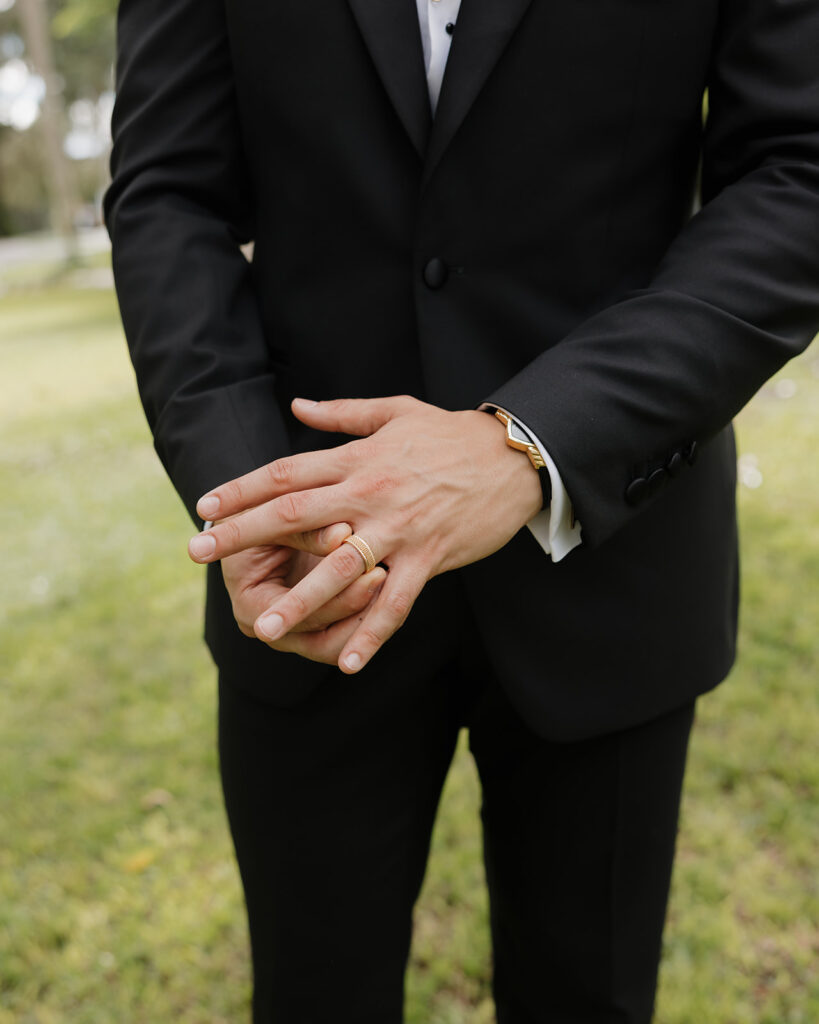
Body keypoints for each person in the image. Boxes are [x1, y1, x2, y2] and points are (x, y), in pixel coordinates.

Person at [104, 0, 819, 1019]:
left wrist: (535, 441)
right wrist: (258, 488)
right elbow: (169, 191)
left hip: (611, 562)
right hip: (311, 566)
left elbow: (798, 171)